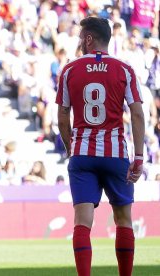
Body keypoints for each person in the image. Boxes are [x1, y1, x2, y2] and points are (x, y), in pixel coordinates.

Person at [56, 17, 145, 276]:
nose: (78, 42)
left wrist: (71, 148)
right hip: (115, 153)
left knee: (82, 223)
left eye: (80, 36)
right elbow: (138, 114)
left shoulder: (70, 70)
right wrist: (138, 156)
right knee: (123, 220)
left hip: (83, 154)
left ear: (88, 38)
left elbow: (62, 117)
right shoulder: (124, 69)